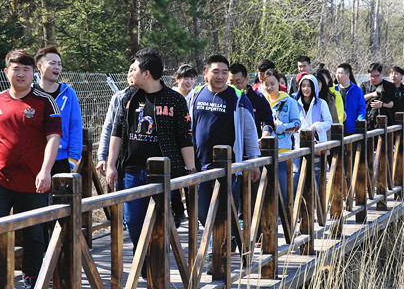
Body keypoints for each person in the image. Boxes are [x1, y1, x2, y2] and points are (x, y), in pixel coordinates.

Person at [0, 49, 62, 289]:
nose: (21, 74)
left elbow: (53, 138)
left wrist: (45, 171)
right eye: (16, 69)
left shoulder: (45, 102)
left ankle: (31, 281)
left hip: (33, 181)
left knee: (33, 233)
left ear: (34, 73)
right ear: (6, 71)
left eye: (26, 69)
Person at [105, 49, 196, 251]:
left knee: (161, 222)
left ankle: (155, 262)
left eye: (134, 69)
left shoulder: (175, 100)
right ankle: (143, 259)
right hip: (131, 171)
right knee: (133, 221)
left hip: (164, 173)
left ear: (146, 73)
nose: (130, 73)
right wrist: (111, 164)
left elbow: (185, 137)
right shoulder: (127, 97)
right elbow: (116, 132)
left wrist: (190, 172)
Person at [188, 55, 260, 235]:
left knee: (226, 210)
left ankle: (224, 245)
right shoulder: (196, 94)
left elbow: (250, 131)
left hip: (229, 166)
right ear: (206, 73)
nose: (220, 76)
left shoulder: (238, 97)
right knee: (202, 211)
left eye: (224, 72)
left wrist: (254, 161)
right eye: (215, 72)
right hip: (200, 165)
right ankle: (219, 240)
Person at [34, 46, 83, 175]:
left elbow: (76, 127)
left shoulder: (69, 93)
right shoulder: (30, 93)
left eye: (59, 64)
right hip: (34, 158)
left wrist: (72, 160)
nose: (57, 67)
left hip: (61, 160)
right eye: (52, 63)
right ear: (39, 66)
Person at [260, 68, 300, 205]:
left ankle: (289, 216)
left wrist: (281, 126)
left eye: (272, 83)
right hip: (263, 152)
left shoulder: (289, 101)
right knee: (265, 195)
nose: (269, 87)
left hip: (283, 151)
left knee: (284, 192)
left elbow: (297, 124)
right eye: (266, 84)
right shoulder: (260, 101)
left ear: (279, 83)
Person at [294, 73, 332, 186]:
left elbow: (329, 122)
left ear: (314, 87)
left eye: (309, 86)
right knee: (296, 177)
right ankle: (298, 198)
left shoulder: (321, 103)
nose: (306, 89)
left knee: (316, 178)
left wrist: (316, 126)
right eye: (303, 86)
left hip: (317, 146)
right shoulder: (295, 103)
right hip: (298, 146)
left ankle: (317, 198)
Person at [228, 63, 275, 137]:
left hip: (253, 140)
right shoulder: (224, 99)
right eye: (231, 83)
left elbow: (268, 122)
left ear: (247, 79)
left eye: (238, 82)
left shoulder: (258, 99)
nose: (234, 86)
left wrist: (264, 137)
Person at [334, 63, 366, 135]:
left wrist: (359, 120)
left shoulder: (357, 90)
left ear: (348, 75)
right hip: (337, 127)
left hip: (352, 127)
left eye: (340, 73)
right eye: (336, 73)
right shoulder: (334, 90)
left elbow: (362, 108)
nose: (337, 76)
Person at [360, 63, 395, 130]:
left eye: (376, 76)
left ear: (381, 73)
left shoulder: (389, 86)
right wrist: (372, 94)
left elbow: (393, 104)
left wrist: (382, 104)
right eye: (371, 76)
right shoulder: (364, 85)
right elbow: (359, 100)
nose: (373, 78)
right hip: (368, 120)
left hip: (386, 121)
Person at [314, 67, 344, 138]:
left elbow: (335, 119)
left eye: (318, 84)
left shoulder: (329, 98)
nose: (316, 87)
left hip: (325, 136)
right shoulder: (303, 99)